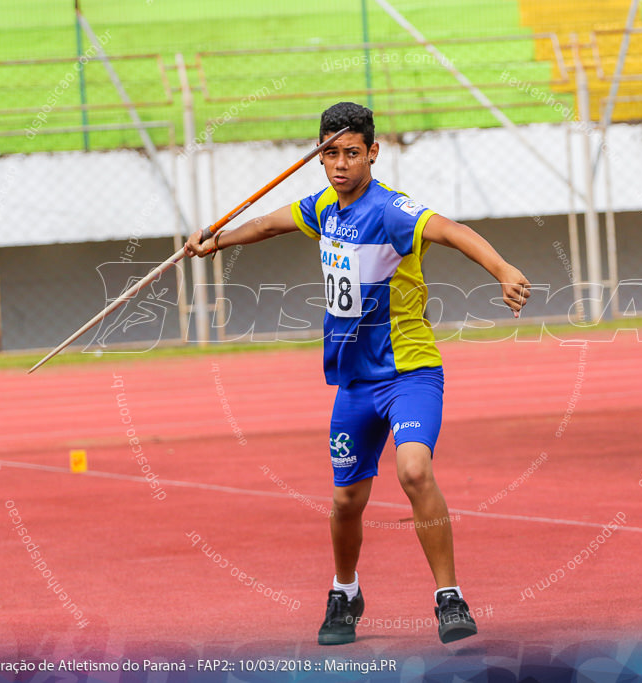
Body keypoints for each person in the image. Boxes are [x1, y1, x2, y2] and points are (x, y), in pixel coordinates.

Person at [185, 102, 531, 644]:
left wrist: (504, 270)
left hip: (410, 371)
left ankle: (449, 597)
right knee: (347, 500)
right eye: (330, 154)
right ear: (318, 157)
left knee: (414, 471)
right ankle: (344, 592)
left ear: (372, 152)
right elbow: (269, 223)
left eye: (351, 152)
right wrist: (216, 239)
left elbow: (452, 230)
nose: (341, 163)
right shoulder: (323, 205)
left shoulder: (392, 210)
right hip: (354, 382)